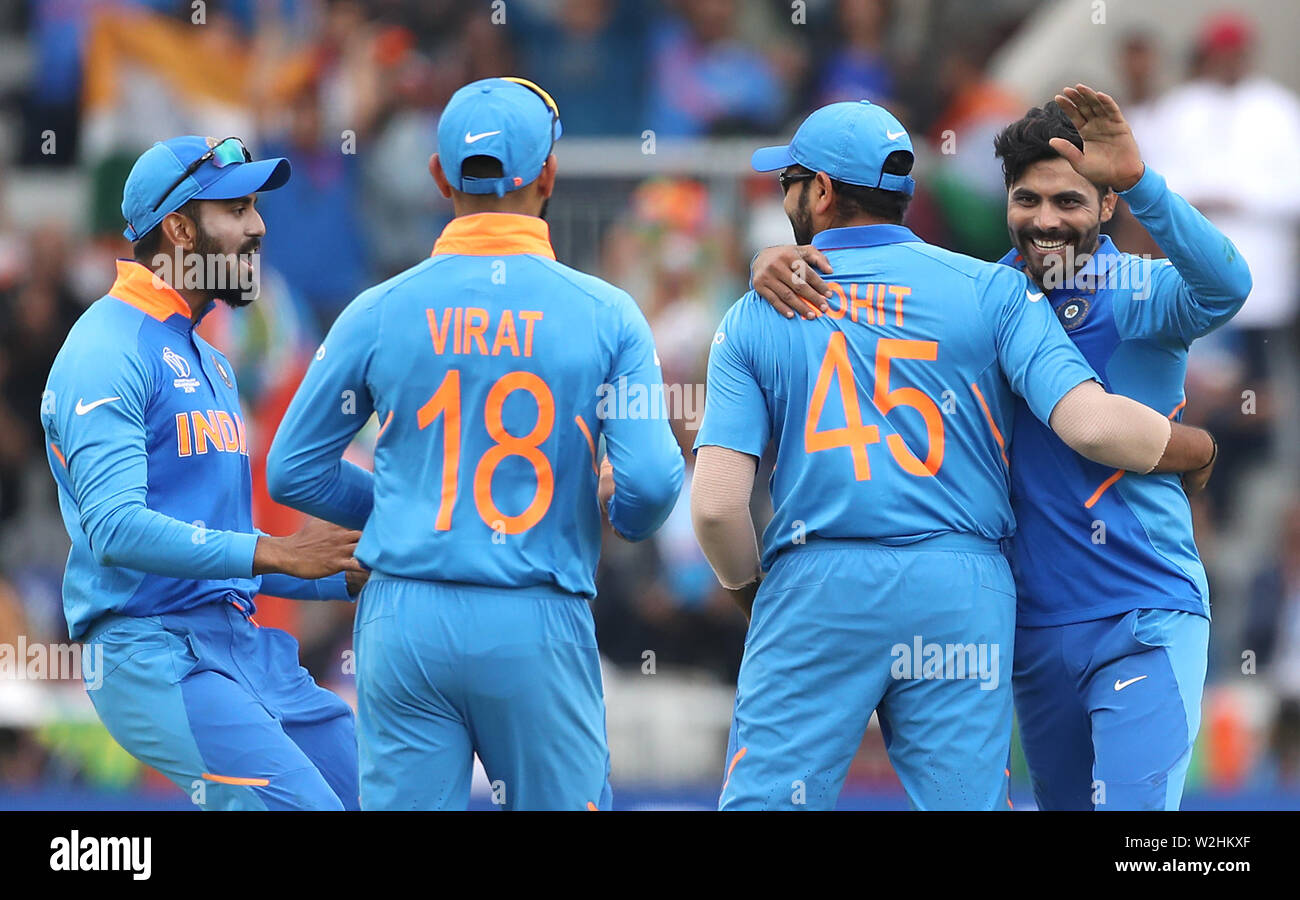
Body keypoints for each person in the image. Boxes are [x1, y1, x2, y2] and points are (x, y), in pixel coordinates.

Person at [692, 99, 1220, 810]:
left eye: (788, 180)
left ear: (818, 192)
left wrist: (747, 591)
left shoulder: (762, 307)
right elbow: (1092, 425)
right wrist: (1191, 445)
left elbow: (719, 507)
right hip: (962, 587)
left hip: (817, 582)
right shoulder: (995, 289)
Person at [266, 78, 684, 810]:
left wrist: (409, 508)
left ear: (438, 177)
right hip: (535, 616)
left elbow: (292, 469)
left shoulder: (379, 308)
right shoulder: (610, 315)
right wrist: (615, 512)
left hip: (403, 621)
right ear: (549, 175)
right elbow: (647, 489)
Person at [41, 136, 367, 810]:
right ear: (181, 231)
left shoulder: (212, 359)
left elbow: (223, 556)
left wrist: (344, 570)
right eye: (238, 209)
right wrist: (281, 549)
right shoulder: (107, 348)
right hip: (150, 654)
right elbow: (114, 528)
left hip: (238, 644)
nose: (259, 227)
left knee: (385, 799)